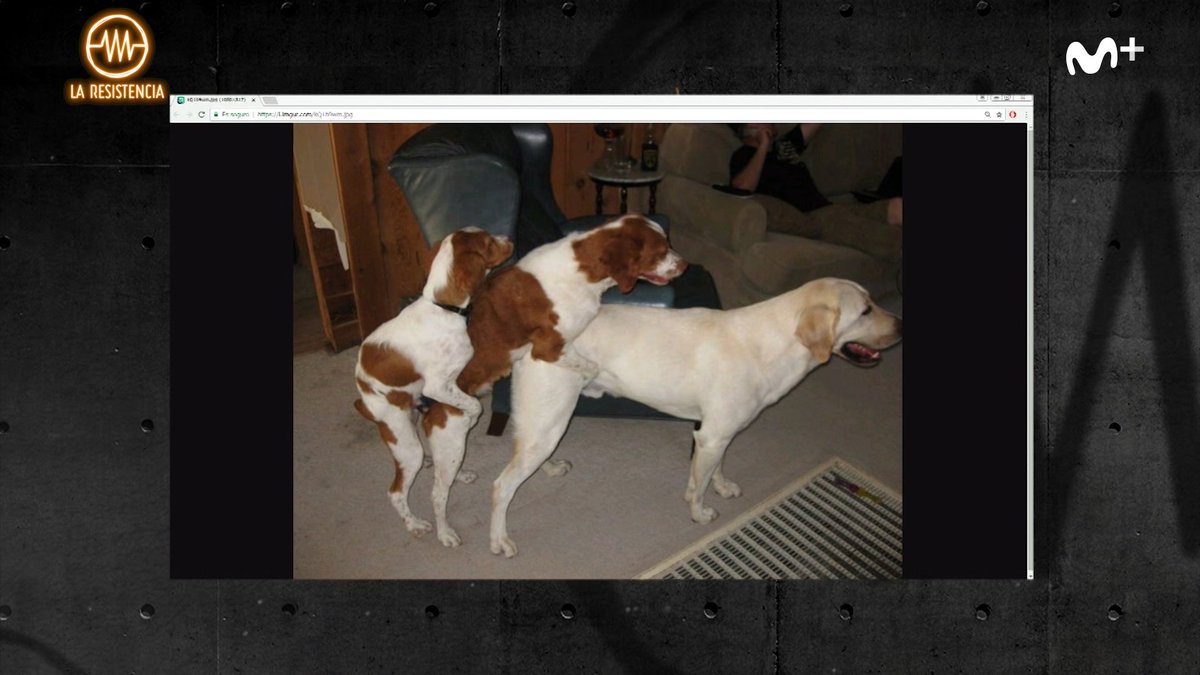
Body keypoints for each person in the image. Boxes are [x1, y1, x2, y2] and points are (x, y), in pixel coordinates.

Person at [728, 123, 902, 262]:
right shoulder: (743, 156)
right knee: (884, 237)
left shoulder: (785, 146)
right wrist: (763, 146)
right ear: (748, 128)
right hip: (815, 218)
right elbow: (742, 188)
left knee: (896, 207)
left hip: (833, 209)